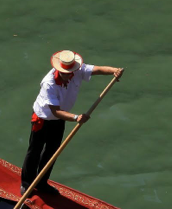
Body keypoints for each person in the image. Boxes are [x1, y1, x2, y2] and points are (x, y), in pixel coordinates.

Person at [20, 50, 124, 195]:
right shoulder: (49, 83)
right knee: (35, 151)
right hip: (43, 118)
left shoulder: (77, 70)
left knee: (52, 152)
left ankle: (42, 183)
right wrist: (76, 117)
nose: (69, 75)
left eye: (70, 72)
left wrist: (114, 71)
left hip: (60, 119)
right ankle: (26, 183)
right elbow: (55, 111)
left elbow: (98, 69)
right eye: (65, 73)